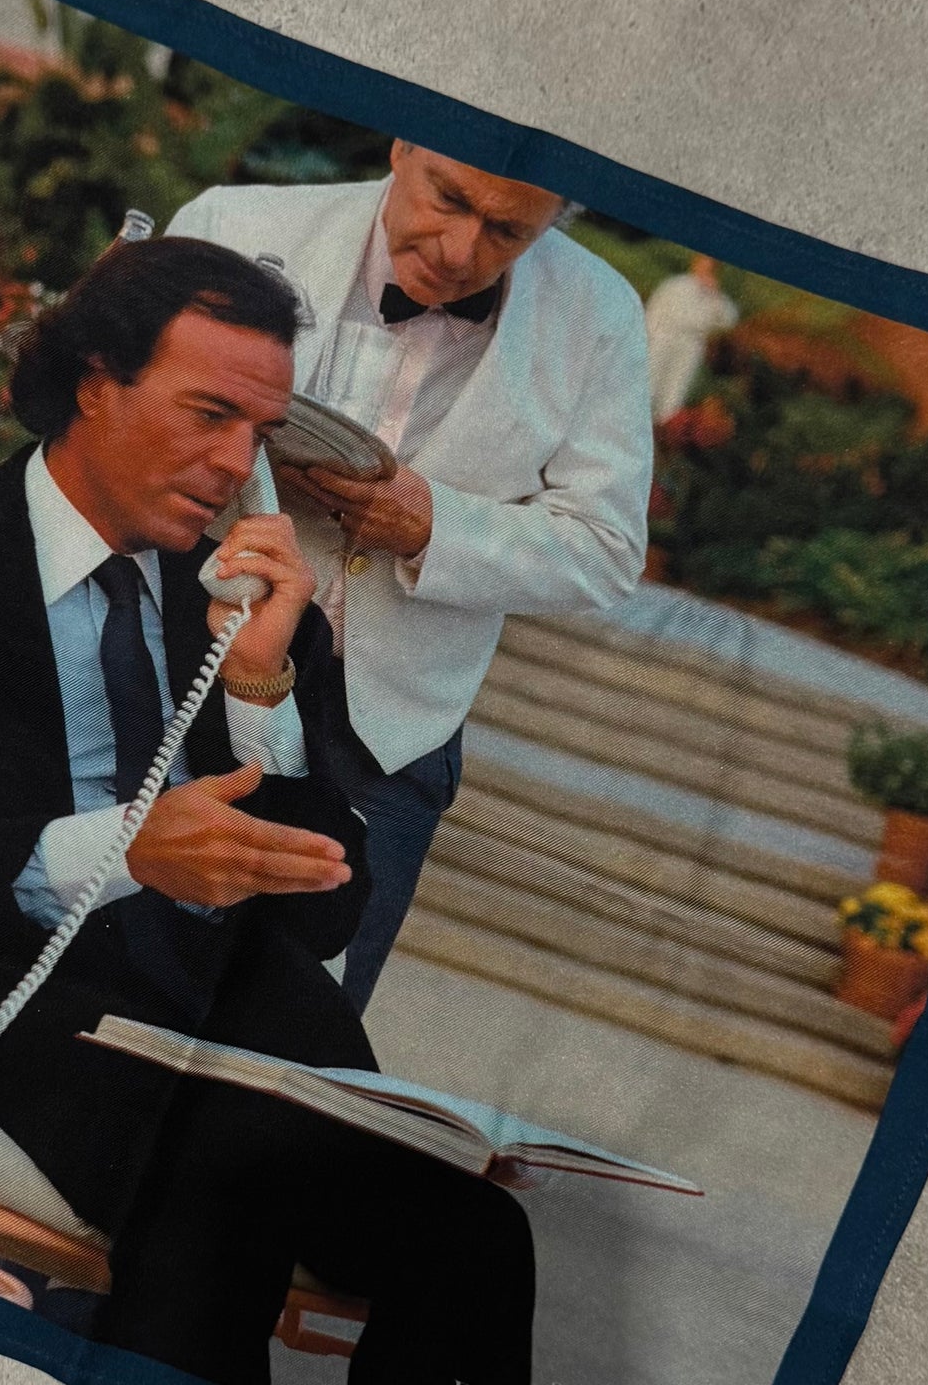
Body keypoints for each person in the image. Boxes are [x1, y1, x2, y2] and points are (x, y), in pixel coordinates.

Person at [0, 231, 533, 1385]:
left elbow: (325, 910)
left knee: (476, 1233)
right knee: (225, 1155)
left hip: (226, 1046)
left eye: (257, 433)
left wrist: (263, 689)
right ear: (93, 383)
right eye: (207, 414)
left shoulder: (233, 611)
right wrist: (122, 852)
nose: (233, 464)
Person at [166, 142, 654, 1005]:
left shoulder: (600, 314)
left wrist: (435, 526)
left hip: (387, 736)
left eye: (507, 231)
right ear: (403, 148)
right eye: (448, 199)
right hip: (177, 657)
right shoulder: (233, 225)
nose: (462, 251)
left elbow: (609, 549)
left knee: (301, 1027)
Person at [643, 254, 738, 422]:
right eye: (704, 264)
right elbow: (654, 309)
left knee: (676, 388)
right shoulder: (675, 285)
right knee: (651, 380)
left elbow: (728, 321)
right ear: (696, 263)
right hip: (665, 337)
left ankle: (663, 425)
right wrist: (650, 336)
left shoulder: (714, 295)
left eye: (711, 267)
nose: (706, 269)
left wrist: (714, 295)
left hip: (691, 343)